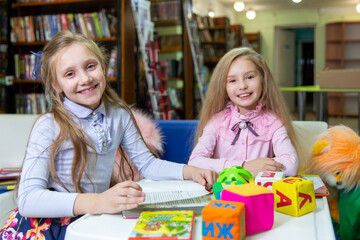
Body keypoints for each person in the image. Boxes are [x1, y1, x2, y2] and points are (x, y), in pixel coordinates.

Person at [0, 31, 217, 239]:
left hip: (92, 218)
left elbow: (147, 165)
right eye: (70, 73)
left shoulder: (119, 115)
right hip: (47, 229)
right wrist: (98, 202)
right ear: (56, 85)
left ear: (103, 67)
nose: (85, 78)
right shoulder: (49, 125)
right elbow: (28, 199)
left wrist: (191, 171)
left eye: (90, 66)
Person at [188, 47, 298, 178]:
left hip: (258, 195)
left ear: (263, 79)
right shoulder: (217, 122)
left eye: (250, 77)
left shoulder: (273, 122)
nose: (242, 86)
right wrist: (244, 166)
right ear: (224, 86)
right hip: (224, 194)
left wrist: (259, 167)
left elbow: (291, 166)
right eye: (232, 80)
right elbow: (194, 162)